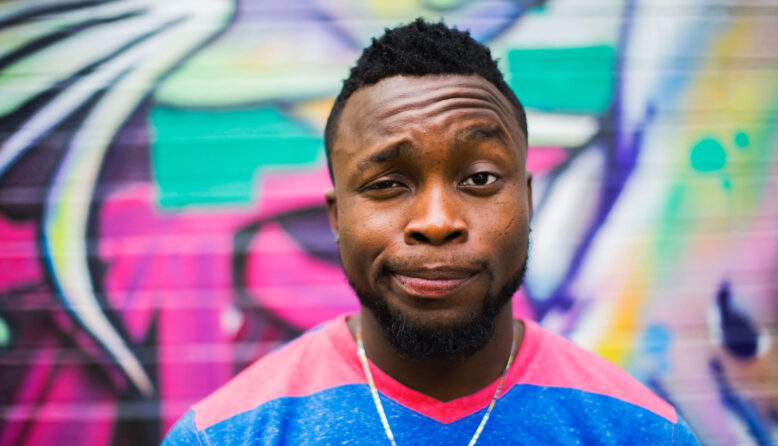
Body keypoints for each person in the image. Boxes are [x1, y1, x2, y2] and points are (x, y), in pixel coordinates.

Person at [162, 19, 699, 445]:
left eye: (480, 178)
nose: (437, 222)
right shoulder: (226, 435)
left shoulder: (640, 431)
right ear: (336, 219)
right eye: (388, 183)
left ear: (529, 200)